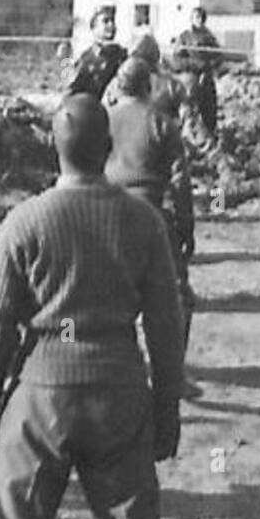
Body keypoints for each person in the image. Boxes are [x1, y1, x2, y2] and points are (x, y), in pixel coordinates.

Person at [0, 94, 183, 519]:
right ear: (108, 147)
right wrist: (167, 411)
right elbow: (167, 326)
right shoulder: (145, 221)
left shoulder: (23, 222)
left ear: (54, 146)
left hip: (40, 396)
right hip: (120, 391)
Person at [105, 57, 201, 399]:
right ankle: (171, 376)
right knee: (177, 299)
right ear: (148, 87)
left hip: (104, 217)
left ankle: (111, 372)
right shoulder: (161, 123)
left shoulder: (102, 120)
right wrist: (186, 230)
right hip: (149, 216)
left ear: (118, 86)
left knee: (107, 296)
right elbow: (180, 183)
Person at [174, 7, 222, 142]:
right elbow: (177, 60)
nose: (199, 21)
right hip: (190, 79)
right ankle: (187, 137)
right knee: (189, 109)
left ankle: (210, 136)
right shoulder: (184, 37)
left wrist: (209, 66)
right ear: (192, 19)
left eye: (202, 18)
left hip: (206, 77)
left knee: (209, 108)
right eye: (197, 17)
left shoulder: (209, 38)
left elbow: (218, 56)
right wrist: (195, 65)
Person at [66, 8, 126, 99]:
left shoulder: (122, 55)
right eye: (105, 21)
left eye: (112, 21)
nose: (111, 25)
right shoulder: (86, 58)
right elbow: (72, 90)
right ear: (94, 28)